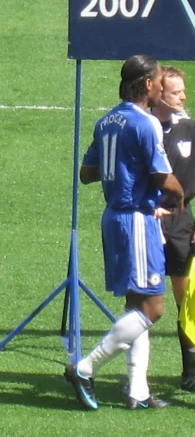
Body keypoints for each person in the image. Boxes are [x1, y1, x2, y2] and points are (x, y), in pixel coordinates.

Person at [66, 54, 185, 410]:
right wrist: (178, 195)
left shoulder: (106, 121)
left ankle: (137, 390)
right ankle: (85, 367)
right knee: (153, 307)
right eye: (160, 80)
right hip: (136, 218)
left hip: (113, 216)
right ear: (147, 84)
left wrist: (120, 166)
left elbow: (87, 174)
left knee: (136, 302)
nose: (163, 87)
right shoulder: (145, 123)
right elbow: (164, 177)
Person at [150, 65, 195, 390]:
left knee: (187, 300)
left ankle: (190, 372)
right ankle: (137, 379)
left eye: (183, 90)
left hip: (180, 224)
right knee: (146, 301)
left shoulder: (190, 129)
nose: (183, 96)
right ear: (158, 94)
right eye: (176, 91)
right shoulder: (145, 126)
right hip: (147, 220)